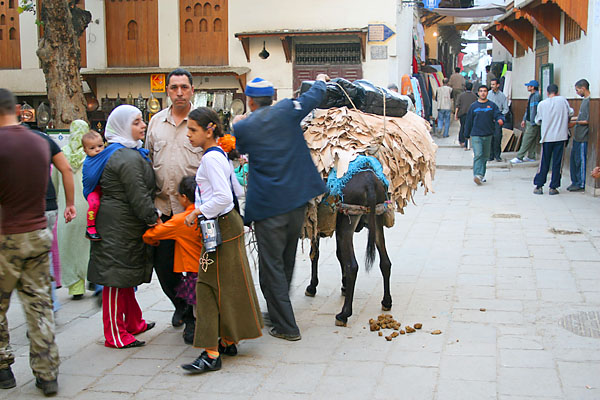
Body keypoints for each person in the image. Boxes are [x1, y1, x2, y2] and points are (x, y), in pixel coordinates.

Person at [233, 76, 328, 341]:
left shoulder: (244, 128)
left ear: (249, 101)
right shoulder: (288, 110)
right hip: (297, 202)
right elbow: (314, 96)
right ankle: (277, 313)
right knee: (286, 261)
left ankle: (287, 326)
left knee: (271, 267)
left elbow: (239, 149)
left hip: (268, 208)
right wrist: (320, 81)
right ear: (272, 98)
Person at [180, 107, 262, 374]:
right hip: (229, 226)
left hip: (220, 227)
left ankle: (211, 353)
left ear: (209, 130)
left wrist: (197, 211)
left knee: (206, 287)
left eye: (193, 130)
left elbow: (225, 198)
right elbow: (237, 191)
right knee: (230, 284)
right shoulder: (219, 156)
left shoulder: (210, 159)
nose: (189, 135)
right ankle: (228, 340)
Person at [0, 88, 60, 396]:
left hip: (5, 235)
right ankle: (47, 373)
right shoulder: (39, 142)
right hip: (37, 232)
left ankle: (3, 369)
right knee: (39, 305)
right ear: (16, 109)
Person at [86, 105, 158, 348]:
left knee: (125, 277)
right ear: (124, 127)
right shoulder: (125, 157)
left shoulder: (127, 151)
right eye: (137, 122)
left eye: (142, 121)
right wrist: (152, 218)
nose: (143, 125)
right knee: (116, 280)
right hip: (118, 227)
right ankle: (115, 334)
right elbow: (138, 195)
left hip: (123, 225)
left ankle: (133, 322)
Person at [146, 68, 202, 328]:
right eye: (173, 87)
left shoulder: (201, 121)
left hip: (193, 212)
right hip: (163, 208)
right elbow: (148, 161)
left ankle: (193, 317)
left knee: (193, 268)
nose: (179, 92)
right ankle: (180, 305)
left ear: (192, 89)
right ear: (167, 90)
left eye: (184, 87)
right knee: (164, 267)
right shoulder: (156, 122)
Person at [143, 176, 202, 345]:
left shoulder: (180, 220)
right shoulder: (207, 213)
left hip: (192, 271)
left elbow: (150, 235)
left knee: (196, 303)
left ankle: (199, 332)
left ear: (183, 197)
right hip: (209, 268)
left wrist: (156, 232)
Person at [533, 84, 573, 195]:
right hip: (561, 136)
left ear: (547, 93)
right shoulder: (562, 100)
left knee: (544, 161)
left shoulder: (542, 104)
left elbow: (538, 120)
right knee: (557, 162)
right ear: (558, 92)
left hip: (547, 137)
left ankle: (539, 185)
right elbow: (571, 112)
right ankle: (553, 187)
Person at [464, 85, 505, 185]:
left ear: (487, 93)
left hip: (488, 134)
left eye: (485, 91)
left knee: (485, 156)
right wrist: (466, 134)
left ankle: (481, 175)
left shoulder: (492, 105)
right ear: (478, 93)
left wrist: (500, 119)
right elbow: (468, 121)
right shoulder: (473, 106)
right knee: (478, 154)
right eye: (481, 91)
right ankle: (477, 174)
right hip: (476, 134)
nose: (483, 93)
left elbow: (498, 114)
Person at [567, 79, 590, 192]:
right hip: (577, 136)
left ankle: (581, 183)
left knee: (581, 160)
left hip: (583, 137)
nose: (577, 92)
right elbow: (581, 117)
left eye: (577, 90)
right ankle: (575, 181)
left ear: (583, 88)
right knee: (574, 160)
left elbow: (587, 120)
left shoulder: (589, 101)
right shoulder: (584, 101)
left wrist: (574, 122)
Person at [81, 131, 105, 240]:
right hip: (92, 190)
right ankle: (90, 227)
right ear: (85, 150)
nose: (97, 149)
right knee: (94, 204)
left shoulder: (104, 157)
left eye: (100, 146)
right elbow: (89, 177)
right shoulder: (89, 161)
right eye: (92, 148)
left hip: (102, 190)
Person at [510, 80, 541, 164]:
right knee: (532, 139)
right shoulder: (532, 95)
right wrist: (524, 119)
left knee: (526, 139)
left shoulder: (536, 96)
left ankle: (519, 157)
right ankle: (531, 156)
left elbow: (533, 110)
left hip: (532, 121)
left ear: (533, 87)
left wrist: (533, 121)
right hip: (530, 120)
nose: (527, 87)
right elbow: (528, 110)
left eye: (529, 86)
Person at [487, 78, 509, 162]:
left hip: (498, 119)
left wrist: (500, 116)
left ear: (498, 85)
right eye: (491, 84)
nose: (492, 86)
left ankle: (497, 155)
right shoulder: (488, 94)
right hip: (489, 119)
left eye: (493, 84)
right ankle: (490, 155)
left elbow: (506, 108)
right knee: (490, 137)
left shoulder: (502, 96)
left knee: (497, 137)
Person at [454, 81, 478, 149]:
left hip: (462, 114)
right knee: (470, 127)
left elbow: (457, 106)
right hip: (471, 114)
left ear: (465, 88)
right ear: (472, 88)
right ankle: (469, 142)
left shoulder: (461, 95)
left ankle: (462, 141)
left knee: (462, 127)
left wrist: (456, 115)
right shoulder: (474, 96)